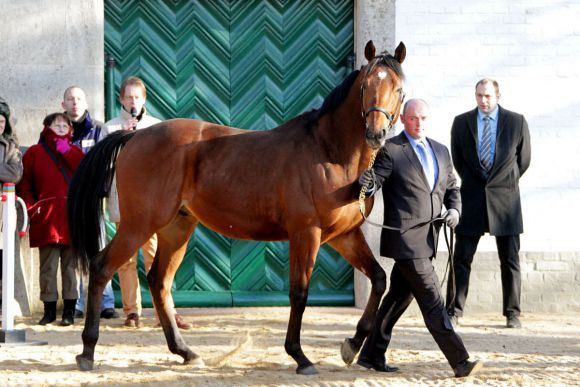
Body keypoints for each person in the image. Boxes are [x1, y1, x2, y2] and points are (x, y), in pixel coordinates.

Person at [356, 99, 482, 378]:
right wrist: (367, 183)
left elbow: (452, 188)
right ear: (402, 118)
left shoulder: (441, 150)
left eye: (423, 117)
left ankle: (370, 354)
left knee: (398, 298)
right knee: (433, 301)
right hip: (405, 240)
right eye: (413, 118)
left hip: (429, 239)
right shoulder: (391, 149)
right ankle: (460, 361)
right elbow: (378, 177)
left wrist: (455, 210)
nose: (419, 123)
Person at [102, 76, 192, 330]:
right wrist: (124, 139)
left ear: (144, 99)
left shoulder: (157, 127)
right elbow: (105, 165)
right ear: (121, 99)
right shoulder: (110, 129)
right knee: (127, 257)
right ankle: (132, 311)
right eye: (128, 96)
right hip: (125, 198)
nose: (133, 101)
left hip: (155, 202)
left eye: (137, 96)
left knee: (157, 256)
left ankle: (166, 311)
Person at [445, 79, 531, 329]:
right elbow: (458, 161)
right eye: (479, 95)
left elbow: (523, 160)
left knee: (510, 260)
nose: (483, 100)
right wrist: (477, 182)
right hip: (471, 197)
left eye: (488, 96)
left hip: (506, 201)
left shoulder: (517, 122)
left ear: (498, 96)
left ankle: (512, 313)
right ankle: (454, 310)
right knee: (462, 258)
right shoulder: (461, 123)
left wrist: (504, 182)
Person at [17, 113, 84, 326]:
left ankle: (70, 311)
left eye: (66, 125)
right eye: (57, 124)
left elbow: (83, 175)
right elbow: (25, 184)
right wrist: (31, 207)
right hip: (46, 218)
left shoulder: (76, 152)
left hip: (71, 216)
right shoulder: (35, 153)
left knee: (71, 267)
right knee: (48, 266)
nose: (62, 127)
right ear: (47, 127)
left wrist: (65, 151)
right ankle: (49, 311)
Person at [62, 86, 119, 320]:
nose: (75, 103)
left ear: (85, 103)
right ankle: (75, 302)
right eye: (70, 99)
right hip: (66, 199)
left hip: (92, 200)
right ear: (63, 103)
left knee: (98, 248)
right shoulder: (56, 130)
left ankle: (105, 302)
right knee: (73, 253)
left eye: (79, 98)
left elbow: (104, 164)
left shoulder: (98, 130)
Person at [0, 97, 24, 287]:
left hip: (2, 212)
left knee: (2, 258)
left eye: (1, 121)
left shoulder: (11, 147)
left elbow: (15, 173)